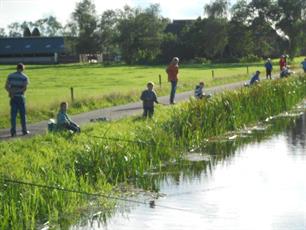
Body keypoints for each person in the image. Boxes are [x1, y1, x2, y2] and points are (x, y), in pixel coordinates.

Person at [5, 63, 29, 137]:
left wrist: (11, 92)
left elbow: (6, 86)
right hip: (20, 97)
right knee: (22, 115)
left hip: (13, 97)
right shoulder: (25, 77)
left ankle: (13, 132)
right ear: (23, 69)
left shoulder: (10, 76)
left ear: (16, 68)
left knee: (13, 115)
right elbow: (24, 88)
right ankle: (24, 131)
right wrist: (17, 91)